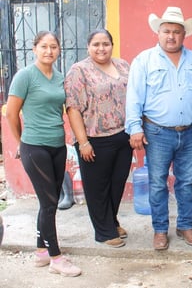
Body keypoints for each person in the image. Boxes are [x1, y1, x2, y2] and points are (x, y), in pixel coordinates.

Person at [125, 6, 192, 250]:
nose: (171, 36)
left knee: (186, 183)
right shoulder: (144, 60)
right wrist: (135, 128)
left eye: (176, 31)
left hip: (187, 133)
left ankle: (185, 226)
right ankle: (160, 230)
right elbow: (133, 97)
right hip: (156, 133)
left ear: (184, 34)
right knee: (157, 183)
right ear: (158, 33)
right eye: (166, 31)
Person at [6, 31, 81, 276]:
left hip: (57, 146)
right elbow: (11, 113)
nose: (49, 51)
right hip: (34, 146)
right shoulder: (25, 76)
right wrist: (21, 142)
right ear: (34, 49)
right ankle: (56, 258)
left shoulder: (60, 77)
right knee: (51, 203)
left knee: (46, 202)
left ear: (59, 50)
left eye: (53, 47)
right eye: (44, 46)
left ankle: (41, 252)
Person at [64, 29, 133, 248]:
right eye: (96, 44)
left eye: (105, 44)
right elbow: (73, 108)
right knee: (97, 187)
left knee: (116, 184)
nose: (101, 48)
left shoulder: (123, 66)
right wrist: (83, 142)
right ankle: (103, 232)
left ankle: (111, 220)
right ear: (88, 46)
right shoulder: (79, 70)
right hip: (94, 138)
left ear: (112, 45)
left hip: (123, 136)